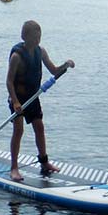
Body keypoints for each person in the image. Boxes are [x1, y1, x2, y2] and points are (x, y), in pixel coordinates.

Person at [7, 20, 75, 181]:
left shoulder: (41, 51)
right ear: (25, 37)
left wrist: (66, 65)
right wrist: (15, 102)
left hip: (33, 97)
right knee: (19, 130)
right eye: (34, 37)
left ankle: (44, 162)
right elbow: (9, 81)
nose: (37, 40)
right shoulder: (17, 56)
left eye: (39, 37)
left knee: (39, 127)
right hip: (18, 98)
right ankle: (14, 167)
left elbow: (53, 70)